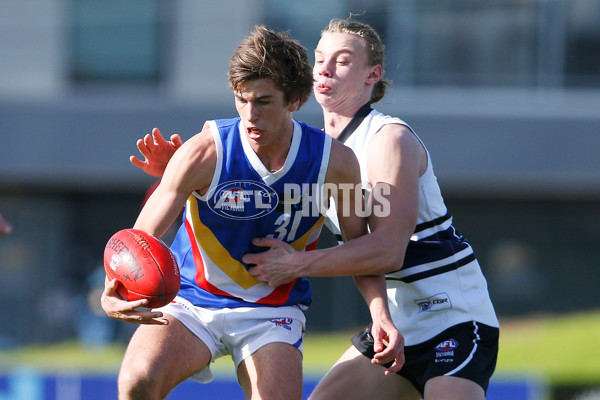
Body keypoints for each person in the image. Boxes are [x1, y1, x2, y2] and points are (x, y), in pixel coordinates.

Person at [130, 18, 499, 400]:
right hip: (395, 319)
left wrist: (296, 265)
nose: (323, 68)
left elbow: (387, 249)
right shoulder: (319, 152)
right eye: (319, 58)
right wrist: (193, 175)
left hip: (449, 314)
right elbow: (259, 200)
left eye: (341, 61)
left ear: (373, 74)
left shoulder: (388, 139)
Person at [101, 25, 402, 400]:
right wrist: (114, 291)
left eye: (263, 102)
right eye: (242, 100)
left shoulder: (337, 163)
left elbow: (361, 250)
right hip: (191, 301)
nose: (250, 115)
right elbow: (140, 240)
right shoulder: (202, 153)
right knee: (136, 382)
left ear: (295, 100)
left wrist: (380, 314)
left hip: (272, 311)